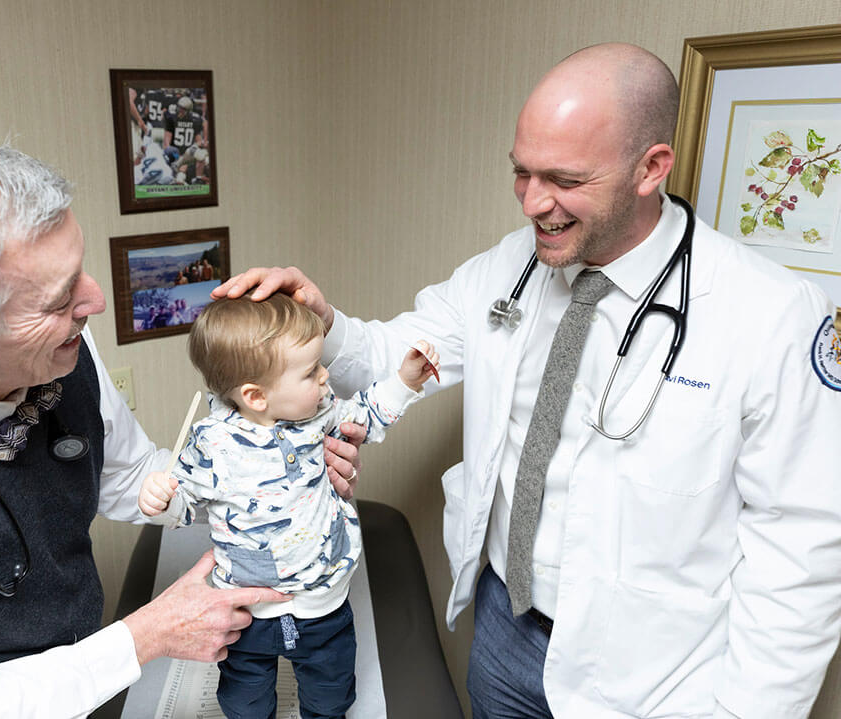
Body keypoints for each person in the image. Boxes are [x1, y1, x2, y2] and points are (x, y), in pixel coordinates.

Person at [213, 43, 841, 719]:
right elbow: (396, 354)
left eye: (564, 179)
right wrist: (325, 321)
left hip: (657, 681)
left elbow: (801, 556)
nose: (534, 202)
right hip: (505, 631)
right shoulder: (508, 267)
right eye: (522, 173)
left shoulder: (772, 315)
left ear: (650, 168)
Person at [0, 143, 365, 717]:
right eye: (60, 298)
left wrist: (269, 474)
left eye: (79, 273)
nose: (93, 302)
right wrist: (145, 637)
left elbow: (129, 475)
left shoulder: (61, 349)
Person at [137, 293, 439, 719]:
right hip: (247, 606)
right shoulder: (212, 443)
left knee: (330, 694)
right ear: (255, 396)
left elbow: (366, 414)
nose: (325, 376)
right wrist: (160, 500)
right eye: (310, 371)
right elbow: (184, 505)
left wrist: (406, 381)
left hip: (323, 602)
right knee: (244, 700)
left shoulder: (322, 409)